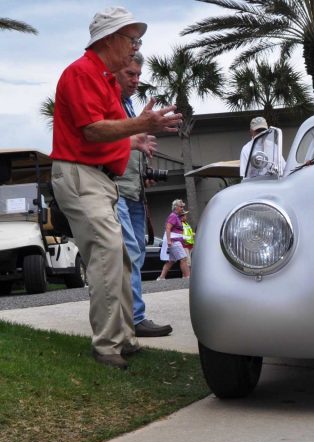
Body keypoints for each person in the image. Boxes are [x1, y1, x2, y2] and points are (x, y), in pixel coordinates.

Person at [50, 6, 182, 369]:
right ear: (109, 39)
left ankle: (122, 337)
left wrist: (136, 134)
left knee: (120, 258)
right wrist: (140, 124)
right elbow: (92, 129)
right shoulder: (81, 73)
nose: (134, 46)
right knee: (108, 254)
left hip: (99, 178)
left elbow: (105, 133)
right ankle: (107, 345)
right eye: (131, 39)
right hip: (81, 176)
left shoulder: (104, 78)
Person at [114, 52, 172, 338]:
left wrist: (142, 172)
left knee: (134, 255)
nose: (136, 80)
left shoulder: (128, 104)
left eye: (138, 75)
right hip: (116, 191)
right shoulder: (111, 103)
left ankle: (133, 317)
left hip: (134, 191)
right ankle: (133, 318)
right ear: (115, 72)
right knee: (128, 254)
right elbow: (101, 138)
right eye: (130, 74)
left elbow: (127, 145)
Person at [157, 200, 191, 280]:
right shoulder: (173, 216)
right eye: (181, 207)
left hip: (175, 241)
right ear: (176, 207)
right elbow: (168, 228)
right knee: (183, 258)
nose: (182, 208)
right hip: (174, 241)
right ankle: (187, 276)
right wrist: (169, 241)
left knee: (171, 261)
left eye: (183, 206)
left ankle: (161, 277)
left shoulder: (177, 217)